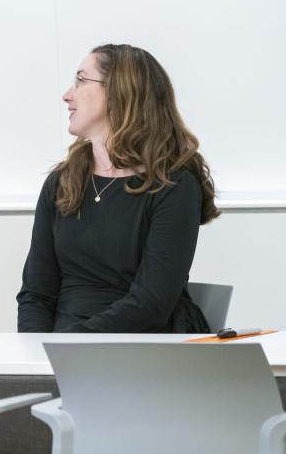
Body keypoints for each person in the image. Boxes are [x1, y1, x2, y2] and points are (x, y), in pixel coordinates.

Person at [17, 44, 219, 333]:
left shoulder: (173, 185)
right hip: (66, 349)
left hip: (141, 350)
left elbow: (151, 304)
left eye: (81, 80)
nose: (67, 95)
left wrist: (69, 346)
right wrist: (37, 357)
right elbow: (36, 294)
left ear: (119, 92)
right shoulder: (62, 182)